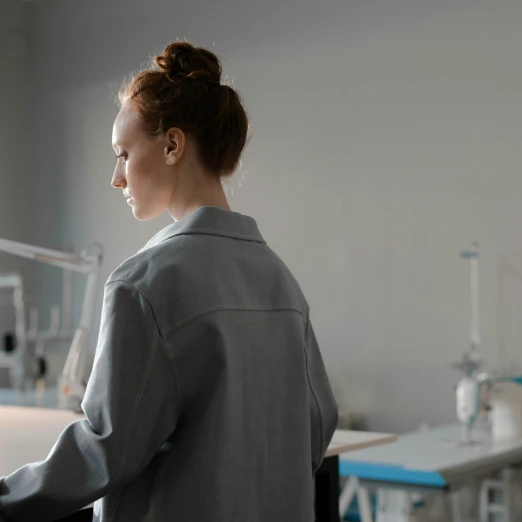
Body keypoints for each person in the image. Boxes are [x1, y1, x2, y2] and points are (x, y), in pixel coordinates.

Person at [0, 41, 339, 522]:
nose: (116, 177)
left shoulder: (144, 285)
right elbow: (317, 425)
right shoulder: (281, 282)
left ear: (172, 145)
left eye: (122, 154)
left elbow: (105, 452)